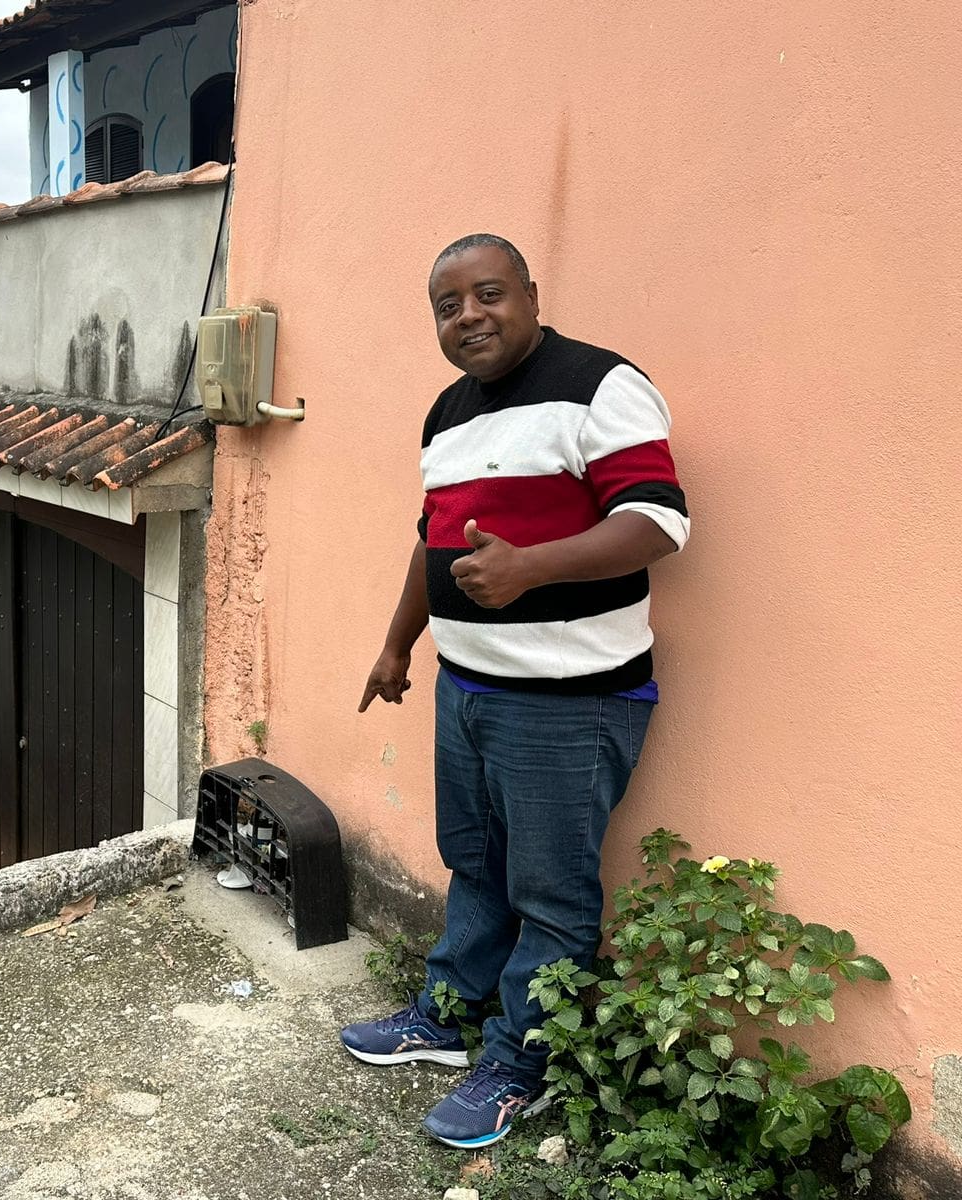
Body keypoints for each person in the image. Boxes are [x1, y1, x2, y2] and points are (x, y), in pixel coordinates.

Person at [341, 234, 690, 1149]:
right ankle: (449, 1014)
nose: (469, 317)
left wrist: (531, 567)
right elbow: (433, 541)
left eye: (488, 294)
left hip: (568, 701)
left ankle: (521, 1065)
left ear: (531, 293)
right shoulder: (447, 412)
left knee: (550, 892)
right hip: (467, 688)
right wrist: (396, 647)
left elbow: (658, 521)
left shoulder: (601, 385)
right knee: (476, 862)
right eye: (447, 306)